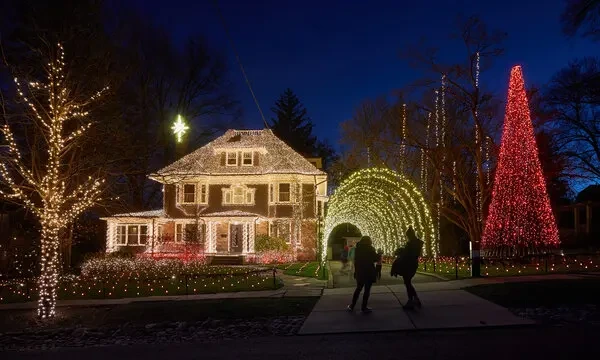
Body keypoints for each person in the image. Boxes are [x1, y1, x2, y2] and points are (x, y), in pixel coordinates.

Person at [391, 227, 424, 310]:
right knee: (408, 282)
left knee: (407, 283)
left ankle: (411, 301)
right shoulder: (417, 243)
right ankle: (415, 299)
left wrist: (399, 253)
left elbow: (406, 254)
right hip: (413, 264)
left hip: (408, 265)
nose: (407, 237)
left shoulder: (411, 243)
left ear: (409, 235)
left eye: (407, 235)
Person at [347, 236, 379, 313]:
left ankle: (352, 305)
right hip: (369, 271)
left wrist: (356, 271)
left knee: (358, 289)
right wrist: (378, 255)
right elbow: (375, 259)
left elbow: (356, 261)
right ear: (369, 241)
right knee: (367, 290)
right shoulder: (371, 249)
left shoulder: (357, 249)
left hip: (360, 271)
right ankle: (363, 307)